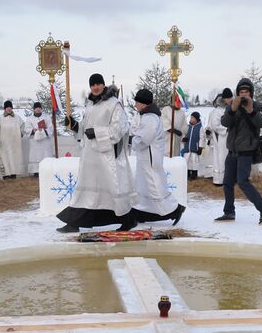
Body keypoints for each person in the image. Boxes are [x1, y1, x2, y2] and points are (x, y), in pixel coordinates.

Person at [56, 73, 133, 232]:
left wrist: (97, 132)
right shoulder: (90, 105)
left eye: (98, 84)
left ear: (104, 85)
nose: (95, 87)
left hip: (106, 156)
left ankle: (128, 221)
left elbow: (120, 128)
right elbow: (84, 128)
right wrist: (75, 126)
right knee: (88, 191)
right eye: (92, 85)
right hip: (90, 156)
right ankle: (74, 223)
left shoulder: (114, 104)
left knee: (111, 189)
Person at [216, 77, 262, 224]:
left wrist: (251, 111)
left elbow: (261, 123)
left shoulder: (258, 106)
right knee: (227, 182)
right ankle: (229, 212)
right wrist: (233, 109)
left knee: (242, 181)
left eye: (246, 92)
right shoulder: (232, 107)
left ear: (251, 94)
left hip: (246, 151)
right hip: (232, 151)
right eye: (241, 92)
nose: (244, 95)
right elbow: (224, 122)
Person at [129, 88, 185, 225]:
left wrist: (132, 140)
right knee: (144, 187)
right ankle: (142, 212)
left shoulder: (151, 119)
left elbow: (143, 139)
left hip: (150, 159)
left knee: (155, 186)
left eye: (137, 102)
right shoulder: (146, 116)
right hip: (145, 158)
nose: (135, 105)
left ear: (144, 103)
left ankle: (175, 209)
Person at [203, 88, 232, 186]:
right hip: (221, 138)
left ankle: (228, 178)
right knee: (220, 157)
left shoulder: (230, 109)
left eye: (230, 97)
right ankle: (219, 179)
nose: (229, 100)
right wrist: (226, 129)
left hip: (229, 138)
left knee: (227, 158)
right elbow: (215, 125)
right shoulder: (217, 111)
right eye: (227, 98)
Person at [0, 100, 25, 179]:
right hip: (4, 143)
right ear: (5, 108)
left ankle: (14, 173)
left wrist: (21, 133)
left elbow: (23, 126)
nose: (9, 109)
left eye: (10, 107)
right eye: (7, 107)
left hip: (15, 143)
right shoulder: (0, 118)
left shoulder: (17, 117)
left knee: (14, 158)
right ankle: (6, 174)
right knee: (5, 158)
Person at [25, 102, 54, 175]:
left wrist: (43, 131)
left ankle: (46, 170)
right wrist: (33, 130)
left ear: (41, 108)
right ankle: (36, 171)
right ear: (34, 109)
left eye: (39, 108)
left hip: (45, 141)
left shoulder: (46, 117)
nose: (38, 109)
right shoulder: (29, 119)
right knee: (35, 156)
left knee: (45, 155)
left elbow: (50, 128)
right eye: (36, 108)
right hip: (35, 142)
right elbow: (26, 129)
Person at [182, 111, 203, 179]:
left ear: (196, 119)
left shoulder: (200, 127)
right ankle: (187, 174)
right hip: (187, 148)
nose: (191, 119)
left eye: (192, 118)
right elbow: (184, 134)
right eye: (191, 118)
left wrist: (200, 147)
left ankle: (194, 175)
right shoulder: (188, 127)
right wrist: (184, 138)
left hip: (195, 148)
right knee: (186, 161)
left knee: (194, 162)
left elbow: (202, 138)